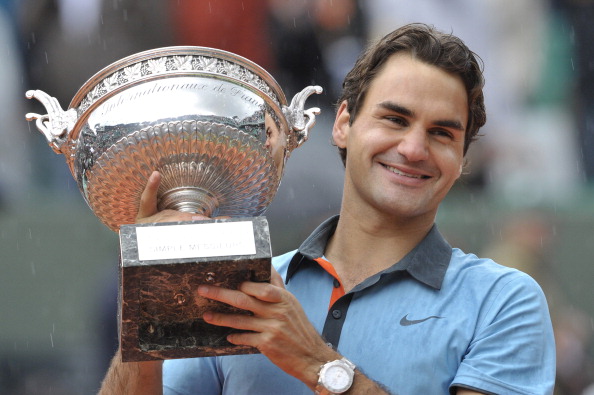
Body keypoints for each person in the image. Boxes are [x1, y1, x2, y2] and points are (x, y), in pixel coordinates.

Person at [98, 23, 556, 394]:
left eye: (442, 133)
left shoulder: (503, 302)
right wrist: (150, 289)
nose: (414, 148)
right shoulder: (241, 289)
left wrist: (317, 363)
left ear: (462, 161)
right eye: (394, 119)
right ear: (342, 125)